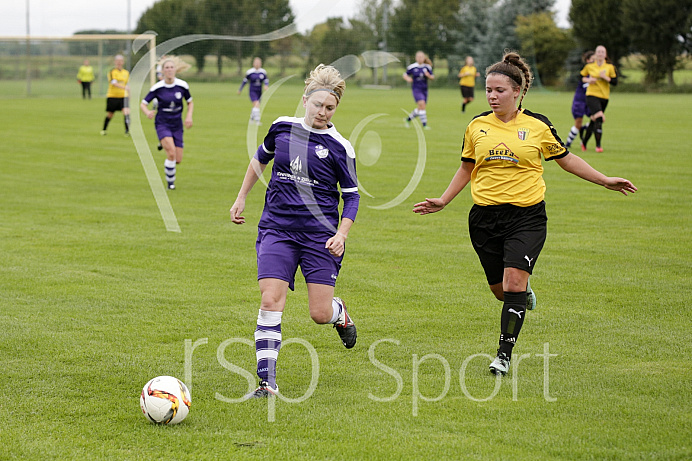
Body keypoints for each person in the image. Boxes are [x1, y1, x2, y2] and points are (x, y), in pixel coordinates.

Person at [413, 51, 636, 377]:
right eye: (488, 89)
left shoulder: (537, 125)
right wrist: (444, 200)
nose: (492, 95)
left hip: (527, 217)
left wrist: (604, 180)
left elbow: (567, 159)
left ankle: (503, 354)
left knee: (514, 282)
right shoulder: (476, 126)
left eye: (499, 90)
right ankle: (522, 295)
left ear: (517, 91)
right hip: (484, 219)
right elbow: (466, 167)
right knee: (501, 291)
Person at [229, 64, 360, 398]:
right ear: (305, 100)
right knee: (271, 299)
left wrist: (341, 234)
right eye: (318, 105)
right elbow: (259, 160)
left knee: (319, 313)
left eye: (330, 107)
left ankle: (338, 313)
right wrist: (241, 197)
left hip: (320, 237)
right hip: (277, 229)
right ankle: (267, 382)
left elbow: (352, 197)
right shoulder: (281, 128)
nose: (322, 112)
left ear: (335, 109)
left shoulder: (339, 147)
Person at [140, 57, 194, 190]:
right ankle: (171, 184)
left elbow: (190, 102)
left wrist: (189, 117)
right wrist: (147, 113)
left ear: (175, 69)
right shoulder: (157, 88)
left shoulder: (182, 85)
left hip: (177, 125)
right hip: (162, 124)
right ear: (162, 71)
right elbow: (143, 104)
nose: (169, 70)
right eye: (167, 68)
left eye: (171, 67)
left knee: (178, 159)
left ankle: (163, 142)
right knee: (171, 153)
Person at [580, 45, 618, 152]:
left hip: (604, 97)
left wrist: (605, 77)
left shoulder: (610, 67)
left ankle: (584, 142)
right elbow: (581, 77)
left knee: (594, 120)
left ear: (605, 55)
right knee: (600, 117)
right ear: (596, 54)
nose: (600, 54)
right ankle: (598, 146)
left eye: (602, 52)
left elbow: (615, 82)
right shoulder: (590, 66)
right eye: (598, 52)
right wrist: (589, 80)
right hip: (591, 95)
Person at [564, 51, 594, 149]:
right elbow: (583, 80)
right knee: (578, 123)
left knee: (597, 119)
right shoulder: (584, 72)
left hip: (590, 101)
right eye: (593, 60)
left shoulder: (596, 72)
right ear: (588, 60)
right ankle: (568, 143)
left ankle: (584, 129)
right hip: (580, 101)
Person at [403, 51, 434, 129]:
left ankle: (408, 119)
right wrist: (408, 79)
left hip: (424, 89)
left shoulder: (427, 67)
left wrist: (428, 75)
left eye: (421, 57)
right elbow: (405, 74)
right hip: (416, 89)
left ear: (424, 58)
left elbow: (432, 77)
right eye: (418, 57)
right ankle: (424, 125)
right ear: (416, 58)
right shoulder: (412, 67)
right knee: (422, 105)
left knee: (420, 108)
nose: (420, 58)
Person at [101, 55, 130, 135]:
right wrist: (125, 87)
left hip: (123, 97)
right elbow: (114, 83)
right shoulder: (112, 72)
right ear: (115, 62)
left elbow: (128, 85)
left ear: (123, 62)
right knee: (110, 114)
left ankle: (127, 131)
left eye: (121, 61)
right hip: (112, 96)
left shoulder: (126, 73)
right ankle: (104, 129)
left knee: (126, 112)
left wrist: (129, 95)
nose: (119, 63)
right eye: (117, 61)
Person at [238, 57, 269, 125]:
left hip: (259, 91)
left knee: (256, 106)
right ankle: (257, 121)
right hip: (252, 91)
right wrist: (240, 89)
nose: (257, 64)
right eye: (256, 63)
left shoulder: (263, 72)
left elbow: (266, 80)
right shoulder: (250, 72)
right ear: (253, 64)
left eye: (259, 63)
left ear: (261, 64)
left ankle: (251, 119)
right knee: (256, 104)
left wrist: (266, 85)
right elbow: (244, 81)